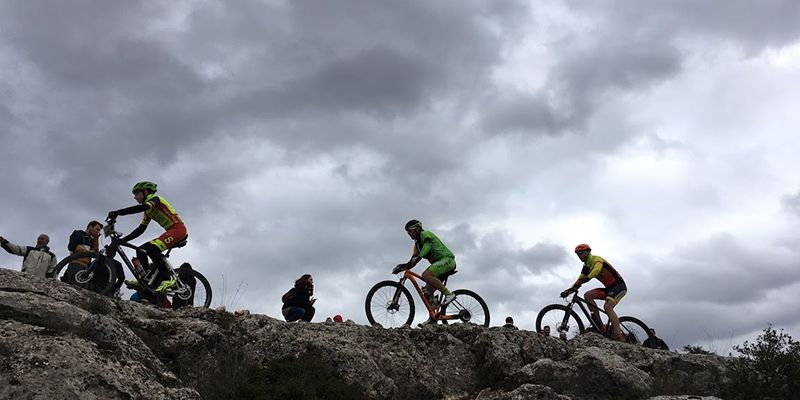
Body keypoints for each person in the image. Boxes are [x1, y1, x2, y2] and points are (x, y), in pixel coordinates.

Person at [107, 181, 187, 294]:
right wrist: (124, 240)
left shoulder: (156, 199)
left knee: (153, 249)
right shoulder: (147, 211)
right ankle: (145, 280)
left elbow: (143, 207)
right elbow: (141, 229)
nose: (135, 197)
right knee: (141, 250)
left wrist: (119, 212)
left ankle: (167, 279)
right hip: (171, 231)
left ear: (145, 192)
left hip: (178, 229)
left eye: (136, 194)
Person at [561, 244, 627, 342]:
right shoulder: (586, 266)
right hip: (609, 289)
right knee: (588, 295)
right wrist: (569, 290)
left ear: (588, 252)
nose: (579, 256)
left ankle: (618, 335)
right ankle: (599, 324)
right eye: (577, 254)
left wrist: (587, 278)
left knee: (607, 307)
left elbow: (597, 270)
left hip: (619, 286)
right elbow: (579, 280)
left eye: (581, 253)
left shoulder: (597, 259)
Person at [397, 219, 456, 311]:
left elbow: (427, 246)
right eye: (407, 232)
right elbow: (413, 261)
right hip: (439, 266)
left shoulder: (425, 234)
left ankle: (449, 294)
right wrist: (403, 267)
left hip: (447, 260)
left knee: (425, 275)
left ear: (417, 229)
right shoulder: (416, 245)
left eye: (410, 231)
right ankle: (433, 318)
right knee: (427, 294)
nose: (408, 234)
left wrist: (420, 256)